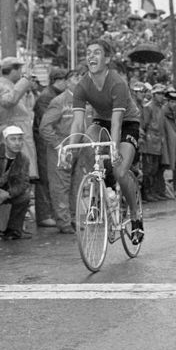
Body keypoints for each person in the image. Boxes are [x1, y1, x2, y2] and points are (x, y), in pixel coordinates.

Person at [68, 38, 144, 245]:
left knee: (119, 171)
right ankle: (98, 195)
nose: (91, 56)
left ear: (107, 59)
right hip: (101, 120)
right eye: (88, 52)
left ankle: (136, 217)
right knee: (87, 143)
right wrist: (70, 146)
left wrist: (114, 151)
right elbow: (77, 123)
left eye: (97, 52)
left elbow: (117, 123)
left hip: (127, 123)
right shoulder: (82, 85)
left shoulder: (117, 83)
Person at [39, 69, 82, 233]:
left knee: (76, 186)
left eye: (82, 77)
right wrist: (58, 145)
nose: (79, 80)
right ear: (67, 81)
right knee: (60, 186)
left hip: (80, 148)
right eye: (76, 77)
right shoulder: (60, 101)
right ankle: (64, 222)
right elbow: (45, 126)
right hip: (62, 149)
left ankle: (74, 219)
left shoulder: (86, 101)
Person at [32, 67, 70, 229]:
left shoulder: (54, 96)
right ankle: (44, 214)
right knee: (45, 178)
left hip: (53, 141)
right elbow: (46, 123)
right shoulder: (47, 97)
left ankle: (54, 213)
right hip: (46, 142)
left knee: (55, 179)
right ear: (58, 80)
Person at [0, 56, 38, 180]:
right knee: (16, 173)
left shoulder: (9, 85)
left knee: (21, 173)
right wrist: (25, 81)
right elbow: (9, 100)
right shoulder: (3, 86)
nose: (21, 74)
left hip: (17, 131)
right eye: (19, 70)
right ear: (12, 70)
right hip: (12, 132)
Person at [140, 83, 170, 201]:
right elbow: (144, 125)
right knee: (148, 170)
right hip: (149, 142)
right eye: (159, 94)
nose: (162, 96)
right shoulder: (148, 107)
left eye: (163, 94)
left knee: (157, 169)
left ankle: (154, 191)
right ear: (154, 94)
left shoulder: (161, 108)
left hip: (158, 142)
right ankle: (146, 193)